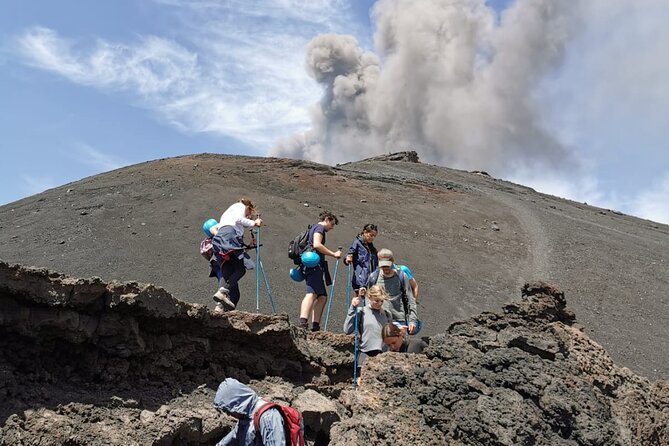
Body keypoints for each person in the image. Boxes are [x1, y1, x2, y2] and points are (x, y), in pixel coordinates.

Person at [211, 198, 262, 312]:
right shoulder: (240, 207)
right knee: (240, 269)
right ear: (249, 207)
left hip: (221, 239)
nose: (248, 216)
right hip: (230, 236)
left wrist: (247, 246)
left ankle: (219, 306)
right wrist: (254, 223)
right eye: (249, 213)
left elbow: (213, 228)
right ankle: (222, 293)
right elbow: (239, 219)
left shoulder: (228, 213)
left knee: (227, 271)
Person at [299, 211, 341, 331]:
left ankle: (315, 325)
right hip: (314, 265)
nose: (332, 228)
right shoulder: (319, 228)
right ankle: (303, 323)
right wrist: (333, 254)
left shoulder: (312, 228)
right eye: (332, 224)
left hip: (311, 265)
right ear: (327, 219)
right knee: (312, 293)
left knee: (322, 296)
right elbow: (317, 245)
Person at [213, 378, 287, 446]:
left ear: (238, 404)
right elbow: (233, 437)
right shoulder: (245, 416)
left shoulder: (268, 416)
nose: (229, 414)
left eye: (228, 410)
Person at [343, 285, 392, 375]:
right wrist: (352, 308)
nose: (380, 303)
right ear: (369, 297)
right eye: (377, 301)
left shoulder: (386, 314)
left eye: (382, 301)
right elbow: (347, 330)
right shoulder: (361, 311)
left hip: (382, 354)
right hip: (365, 352)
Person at [367, 248, 418, 334]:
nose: (386, 269)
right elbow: (368, 299)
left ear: (393, 262)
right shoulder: (373, 277)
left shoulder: (401, 276)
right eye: (383, 266)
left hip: (398, 320)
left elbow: (410, 299)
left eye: (387, 266)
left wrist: (412, 320)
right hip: (379, 319)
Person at [344, 224, 378, 297]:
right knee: (356, 300)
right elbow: (349, 253)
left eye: (374, 236)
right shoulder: (357, 243)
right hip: (359, 278)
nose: (372, 238)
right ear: (365, 232)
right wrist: (347, 259)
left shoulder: (372, 248)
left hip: (371, 279)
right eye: (371, 235)